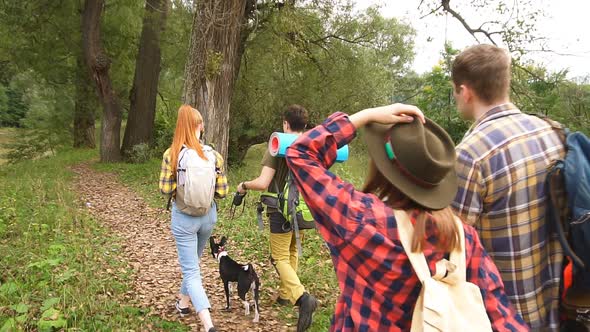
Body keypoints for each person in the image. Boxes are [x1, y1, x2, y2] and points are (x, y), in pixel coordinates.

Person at [284, 104, 528, 331]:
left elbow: (300, 154)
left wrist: (366, 115)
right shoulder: (463, 237)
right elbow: (502, 317)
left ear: (383, 169)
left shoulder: (361, 218)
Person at [450, 44, 566, 330]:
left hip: (507, 315)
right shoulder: (552, 131)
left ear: (465, 91)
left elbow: (453, 248)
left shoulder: (469, 155)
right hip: (559, 306)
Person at [237, 104, 318, 332]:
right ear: (305, 125)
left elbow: (263, 183)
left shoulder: (277, 146)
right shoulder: (311, 146)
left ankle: (302, 297)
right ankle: (285, 295)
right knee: (292, 250)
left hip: (279, 210)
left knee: (279, 257)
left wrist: (244, 185)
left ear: (285, 123)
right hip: (302, 208)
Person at [159, 105, 228, 332]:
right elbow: (222, 192)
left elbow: (165, 189)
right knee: (193, 264)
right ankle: (183, 302)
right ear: (200, 126)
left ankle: (208, 325)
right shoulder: (213, 155)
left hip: (184, 219)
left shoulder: (172, 154)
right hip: (207, 218)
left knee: (191, 270)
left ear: (180, 127)